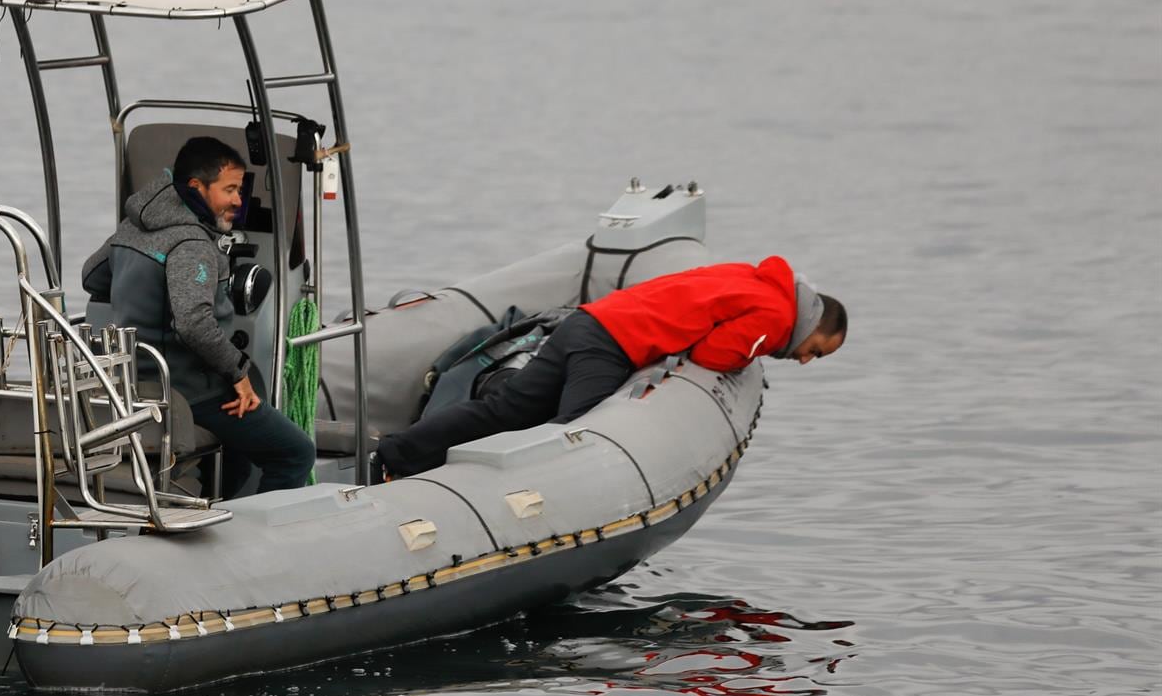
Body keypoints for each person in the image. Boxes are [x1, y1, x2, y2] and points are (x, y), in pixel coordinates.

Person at [373, 256, 846, 480]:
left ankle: (397, 454)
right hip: (611, 345)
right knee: (571, 436)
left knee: (506, 409)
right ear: (811, 322)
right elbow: (713, 355)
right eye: (816, 350)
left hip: (588, 322)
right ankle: (468, 492)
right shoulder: (778, 316)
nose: (805, 358)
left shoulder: (757, 279)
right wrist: (750, 353)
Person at [83, 136, 316, 495]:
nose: (238, 201)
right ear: (196, 187)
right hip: (189, 390)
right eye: (230, 190)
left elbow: (91, 275)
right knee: (296, 452)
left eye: (240, 190)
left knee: (240, 451)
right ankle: (262, 540)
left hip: (132, 381)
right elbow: (193, 324)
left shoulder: (132, 228)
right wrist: (237, 373)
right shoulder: (192, 244)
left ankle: (214, 509)